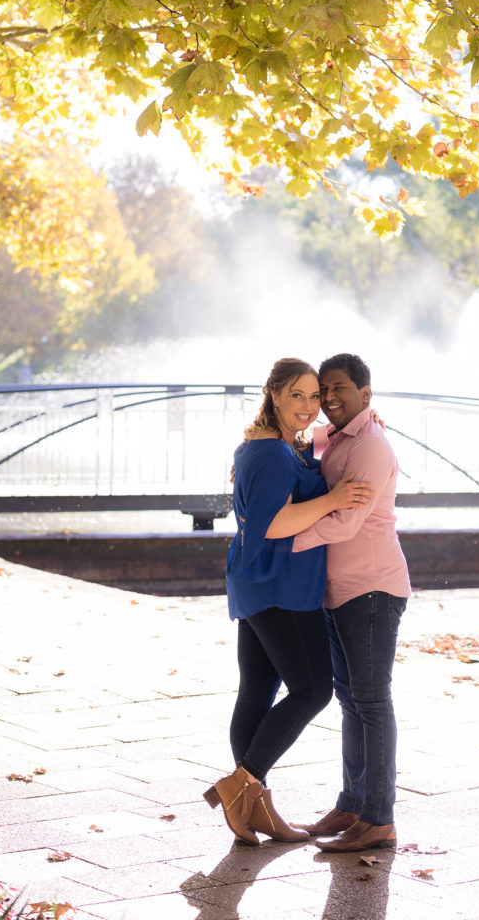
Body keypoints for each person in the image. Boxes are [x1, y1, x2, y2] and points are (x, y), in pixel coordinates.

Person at [203, 358, 372, 846]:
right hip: (279, 585)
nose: (308, 406)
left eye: (315, 396)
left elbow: (300, 469)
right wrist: (335, 498)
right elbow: (273, 524)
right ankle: (243, 785)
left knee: (256, 690)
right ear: (273, 394)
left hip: (255, 580)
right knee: (313, 689)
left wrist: (366, 421)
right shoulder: (273, 454)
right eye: (297, 395)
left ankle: (253, 808)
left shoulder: (270, 447)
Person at [292, 353, 411, 852]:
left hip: (372, 588)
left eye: (340, 388)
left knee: (371, 700)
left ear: (366, 392)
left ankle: (378, 819)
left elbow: (345, 523)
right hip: (339, 591)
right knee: (351, 700)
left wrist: (281, 538)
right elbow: (304, 442)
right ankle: (352, 802)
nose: (330, 398)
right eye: (325, 390)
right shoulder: (338, 437)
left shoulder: (372, 448)